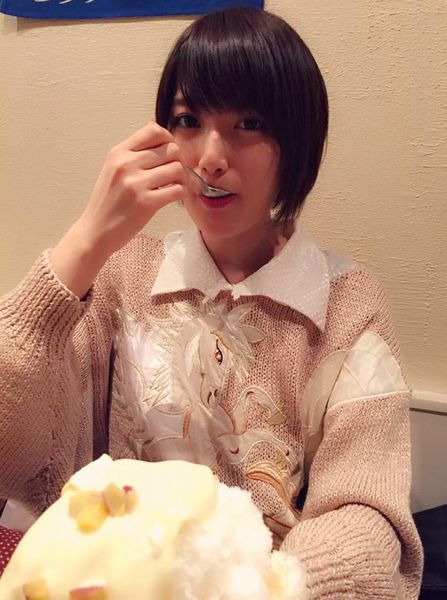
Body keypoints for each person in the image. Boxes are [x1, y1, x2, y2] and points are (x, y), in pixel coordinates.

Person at [0, 6, 422, 598]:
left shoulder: (348, 305)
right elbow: (14, 450)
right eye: (188, 120)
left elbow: (366, 516)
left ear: (297, 141)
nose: (210, 157)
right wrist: (84, 243)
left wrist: (261, 588)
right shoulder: (122, 274)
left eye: (249, 122)